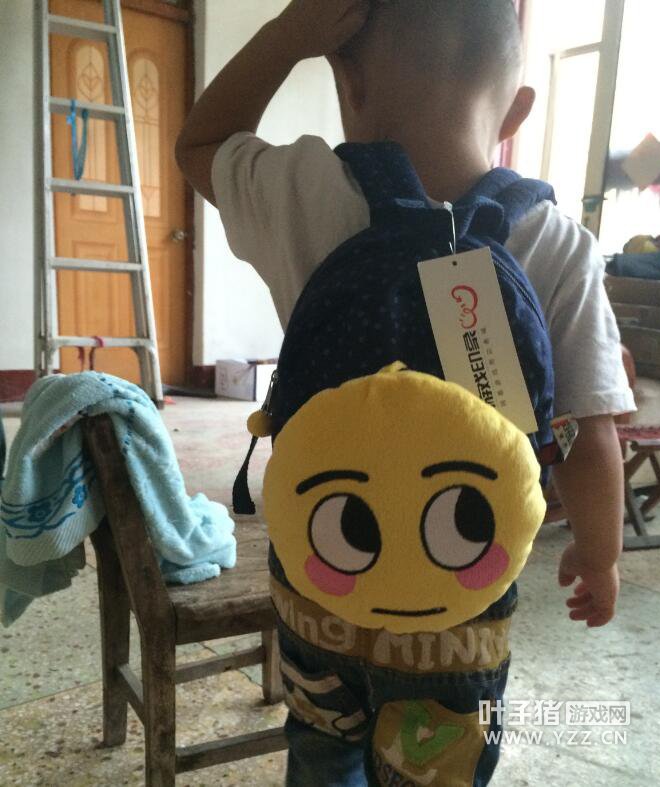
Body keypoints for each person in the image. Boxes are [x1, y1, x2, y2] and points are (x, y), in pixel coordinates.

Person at [176, 2, 635, 783]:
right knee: (438, 767)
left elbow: (198, 143)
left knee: (321, 749)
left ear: (345, 82)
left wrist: (287, 37)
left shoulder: (302, 187)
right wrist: (600, 555)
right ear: (516, 111)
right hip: (461, 599)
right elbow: (592, 433)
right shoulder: (557, 240)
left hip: (323, 576)